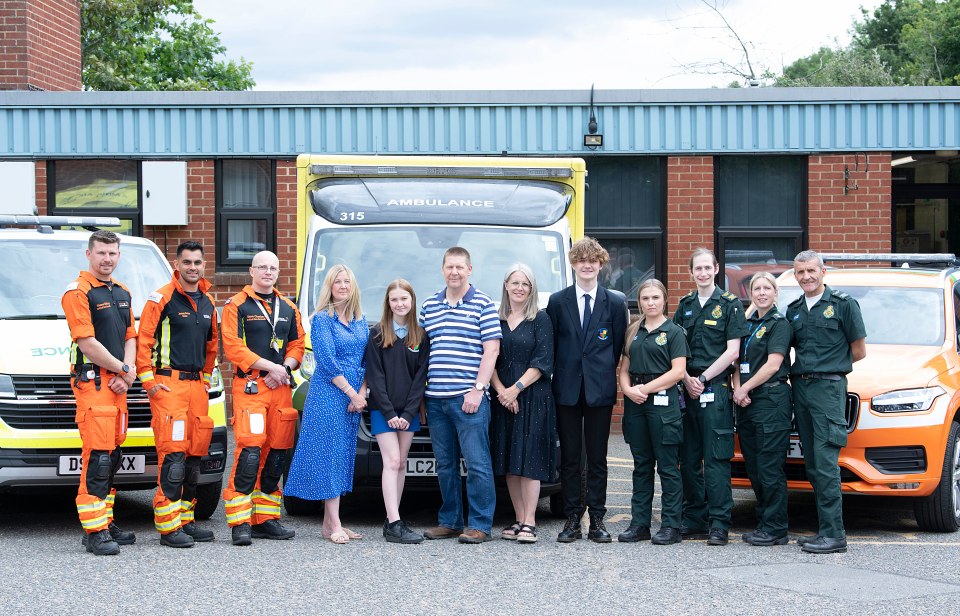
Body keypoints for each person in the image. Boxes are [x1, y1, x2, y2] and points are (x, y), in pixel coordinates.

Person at [136, 241, 219, 548]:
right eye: (187, 262)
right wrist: (150, 383)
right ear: (177, 264)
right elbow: (143, 342)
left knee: (194, 456)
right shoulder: (162, 298)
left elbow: (212, 347)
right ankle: (168, 527)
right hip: (169, 386)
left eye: (197, 262)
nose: (193, 267)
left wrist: (207, 379)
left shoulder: (208, 301)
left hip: (197, 388)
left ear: (203, 264)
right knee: (173, 458)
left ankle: (186, 519)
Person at [546, 237, 628, 543]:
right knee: (570, 457)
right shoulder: (557, 301)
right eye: (581, 261)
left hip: (599, 390)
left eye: (592, 260)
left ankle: (596, 519)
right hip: (566, 390)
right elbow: (553, 344)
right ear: (573, 264)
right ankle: (571, 519)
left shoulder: (615, 302)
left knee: (597, 457)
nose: (587, 265)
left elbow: (617, 346)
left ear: (601, 264)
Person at [62, 230, 138, 556]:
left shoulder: (122, 291)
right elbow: (87, 343)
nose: (107, 259)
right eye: (101, 253)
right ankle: (94, 532)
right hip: (93, 384)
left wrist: (128, 372)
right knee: (98, 457)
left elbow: (130, 337)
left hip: (118, 384)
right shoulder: (78, 292)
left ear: (118, 256)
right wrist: (122, 369)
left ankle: (104, 521)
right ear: (89, 254)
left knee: (113, 456)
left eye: (112, 253)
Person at [220, 251, 304, 546]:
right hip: (252, 389)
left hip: (280, 389)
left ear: (278, 272)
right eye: (262, 267)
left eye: (273, 268)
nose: (268, 272)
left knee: (276, 456)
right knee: (249, 454)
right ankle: (240, 523)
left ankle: (265, 520)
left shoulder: (288, 307)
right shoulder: (236, 305)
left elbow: (297, 345)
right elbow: (233, 347)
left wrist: (286, 368)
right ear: (251, 271)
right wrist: (272, 368)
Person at [420, 246, 501, 544]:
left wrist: (478, 390)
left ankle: (480, 524)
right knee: (445, 464)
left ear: (470, 270)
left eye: (459, 267)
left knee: (477, 463)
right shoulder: (429, 305)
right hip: (436, 399)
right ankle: (451, 521)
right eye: (449, 267)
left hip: (469, 399)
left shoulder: (483, 304)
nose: (454, 272)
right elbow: (422, 352)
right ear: (442, 270)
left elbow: (491, 350)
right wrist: (421, 398)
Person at [787, 250, 866, 554]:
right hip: (801, 390)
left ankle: (834, 534)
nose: (806, 276)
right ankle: (825, 531)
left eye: (811, 271)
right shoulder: (794, 310)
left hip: (828, 390)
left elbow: (858, 350)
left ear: (823, 272)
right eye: (800, 272)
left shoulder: (843, 305)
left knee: (825, 462)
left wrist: (830, 367)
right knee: (812, 464)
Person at [285, 264, 368, 544]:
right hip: (329, 394)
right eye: (337, 282)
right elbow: (328, 361)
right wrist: (353, 393)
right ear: (329, 287)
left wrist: (362, 392)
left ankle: (328, 524)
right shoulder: (322, 320)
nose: (343, 286)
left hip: (353, 396)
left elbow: (366, 359)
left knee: (342, 454)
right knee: (329, 455)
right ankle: (335, 524)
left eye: (347, 281)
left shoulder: (359, 320)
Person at [673, 247, 748, 546]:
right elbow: (676, 348)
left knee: (716, 459)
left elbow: (733, 351)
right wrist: (686, 379)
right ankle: (694, 518)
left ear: (716, 269)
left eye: (707, 267)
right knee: (688, 459)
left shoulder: (729, 305)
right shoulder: (685, 305)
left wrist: (702, 379)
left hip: (714, 390)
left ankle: (719, 523)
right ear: (690, 273)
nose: (702, 273)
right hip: (687, 390)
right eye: (697, 269)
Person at [617, 279, 688, 546]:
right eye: (645, 298)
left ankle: (670, 525)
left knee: (668, 467)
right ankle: (640, 525)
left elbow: (678, 372)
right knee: (641, 466)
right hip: (636, 403)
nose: (650, 303)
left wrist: (645, 388)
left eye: (655, 298)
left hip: (663, 401)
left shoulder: (674, 332)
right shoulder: (633, 330)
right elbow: (624, 368)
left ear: (664, 299)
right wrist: (628, 390)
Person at [489, 264, 555, 544]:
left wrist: (515, 390)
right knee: (509, 461)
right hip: (502, 397)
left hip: (532, 397)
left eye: (525, 284)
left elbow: (543, 361)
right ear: (505, 285)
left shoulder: (540, 319)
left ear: (532, 289)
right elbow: (488, 357)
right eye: (514, 283)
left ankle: (530, 521)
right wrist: (502, 392)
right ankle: (518, 518)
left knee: (530, 459)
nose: (519, 288)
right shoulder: (496, 319)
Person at [364, 279, 430, 544]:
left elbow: (420, 378)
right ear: (387, 303)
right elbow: (375, 376)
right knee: (391, 461)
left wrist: (409, 412)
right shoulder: (378, 334)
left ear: (412, 302)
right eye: (394, 299)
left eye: (404, 299)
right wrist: (391, 413)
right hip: (384, 410)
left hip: (409, 411)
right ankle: (394, 522)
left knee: (401, 463)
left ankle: (394, 517)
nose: (399, 304)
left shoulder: (420, 336)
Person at [731, 272, 793, 547]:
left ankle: (776, 527)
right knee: (754, 467)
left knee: (769, 468)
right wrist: (737, 388)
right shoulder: (746, 323)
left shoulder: (779, 323)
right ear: (751, 293)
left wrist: (744, 389)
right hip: (746, 404)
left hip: (770, 401)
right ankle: (764, 523)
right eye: (757, 288)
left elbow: (773, 364)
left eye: (767, 288)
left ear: (775, 292)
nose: (762, 293)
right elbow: (735, 361)